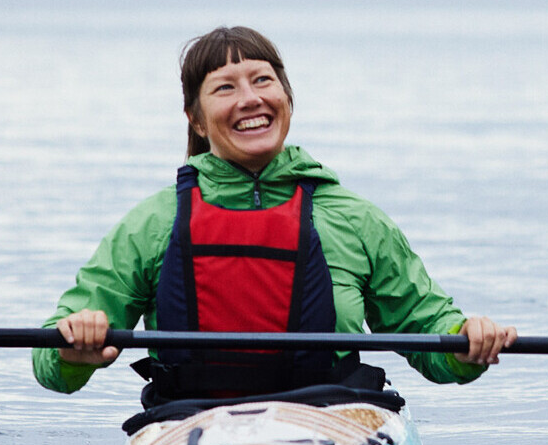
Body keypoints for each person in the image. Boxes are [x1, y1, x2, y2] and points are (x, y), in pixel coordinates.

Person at [34, 25, 516, 409]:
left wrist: (464, 342)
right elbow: (49, 359)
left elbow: (424, 326)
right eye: (225, 88)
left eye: (262, 80)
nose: (250, 99)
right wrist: (72, 347)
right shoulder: (154, 222)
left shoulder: (354, 218)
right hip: (190, 422)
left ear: (287, 98)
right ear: (197, 120)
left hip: (332, 416)